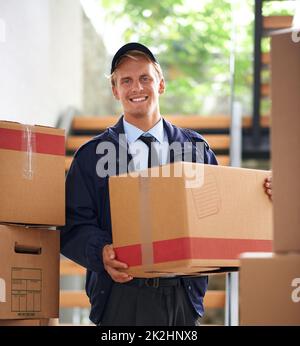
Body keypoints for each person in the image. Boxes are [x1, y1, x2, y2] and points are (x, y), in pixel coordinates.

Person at [60, 42, 272, 326]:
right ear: (115, 90)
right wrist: (100, 251)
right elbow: (72, 225)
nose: (137, 87)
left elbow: (220, 213)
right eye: (126, 81)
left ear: (160, 84)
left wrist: (263, 194)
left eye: (145, 78)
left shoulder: (196, 150)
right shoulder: (91, 156)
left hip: (181, 299)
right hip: (119, 298)